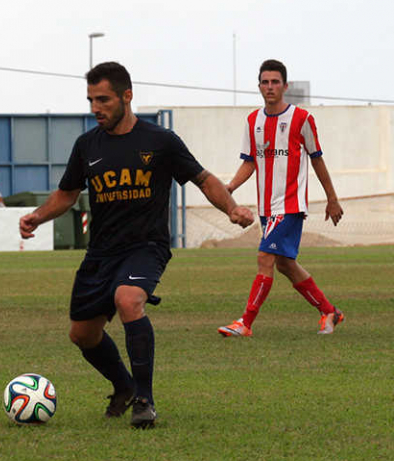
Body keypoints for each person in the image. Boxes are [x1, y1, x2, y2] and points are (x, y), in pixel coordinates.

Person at [19, 62, 253, 429]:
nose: (96, 108)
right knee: (82, 335)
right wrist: (37, 216)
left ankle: (145, 399)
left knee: (128, 300)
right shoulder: (87, 146)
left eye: (104, 99)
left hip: (146, 245)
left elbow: (203, 179)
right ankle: (124, 386)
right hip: (101, 252)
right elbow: (67, 194)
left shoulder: (160, 141)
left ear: (127, 96)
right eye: (91, 100)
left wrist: (232, 208)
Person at [218, 59, 344, 338]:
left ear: (285, 86)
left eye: (275, 82)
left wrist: (331, 199)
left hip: (290, 205)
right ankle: (329, 311)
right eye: (265, 82)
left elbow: (317, 160)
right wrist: (230, 187)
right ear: (259, 86)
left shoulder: (302, 119)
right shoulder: (253, 121)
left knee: (265, 257)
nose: (270, 86)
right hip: (266, 208)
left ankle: (245, 323)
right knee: (285, 264)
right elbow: (250, 162)